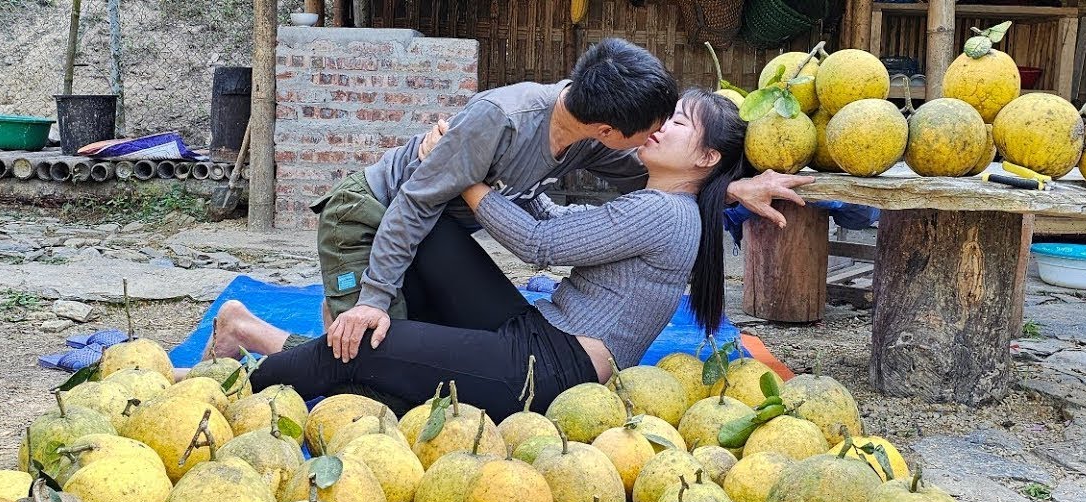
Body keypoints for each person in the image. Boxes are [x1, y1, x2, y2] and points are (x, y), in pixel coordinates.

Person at [208, 37, 812, 366]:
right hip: (369, 216)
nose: (653, 138)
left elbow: (655, 187)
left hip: (433, 235)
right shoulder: (502, 119)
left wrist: (729, 187)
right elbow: (412, 206)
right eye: (653, 127)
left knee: (401, 359)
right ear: (609, 128)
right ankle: (247, 328)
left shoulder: (589, 140)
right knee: (365, 356)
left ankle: (315, 324)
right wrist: (371, 298)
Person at [243, 88, 753, 421]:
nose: (660, 126)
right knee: (430, 230)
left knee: (368, 350)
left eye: (679, 123)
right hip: (539, 331)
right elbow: (559, 221)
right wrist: (470, 162)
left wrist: (463, 171)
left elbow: (540, 244)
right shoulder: (662, 205)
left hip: (552, 371)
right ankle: (357, 312)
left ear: (706, 157)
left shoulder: (663, 212)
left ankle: (233, 379)